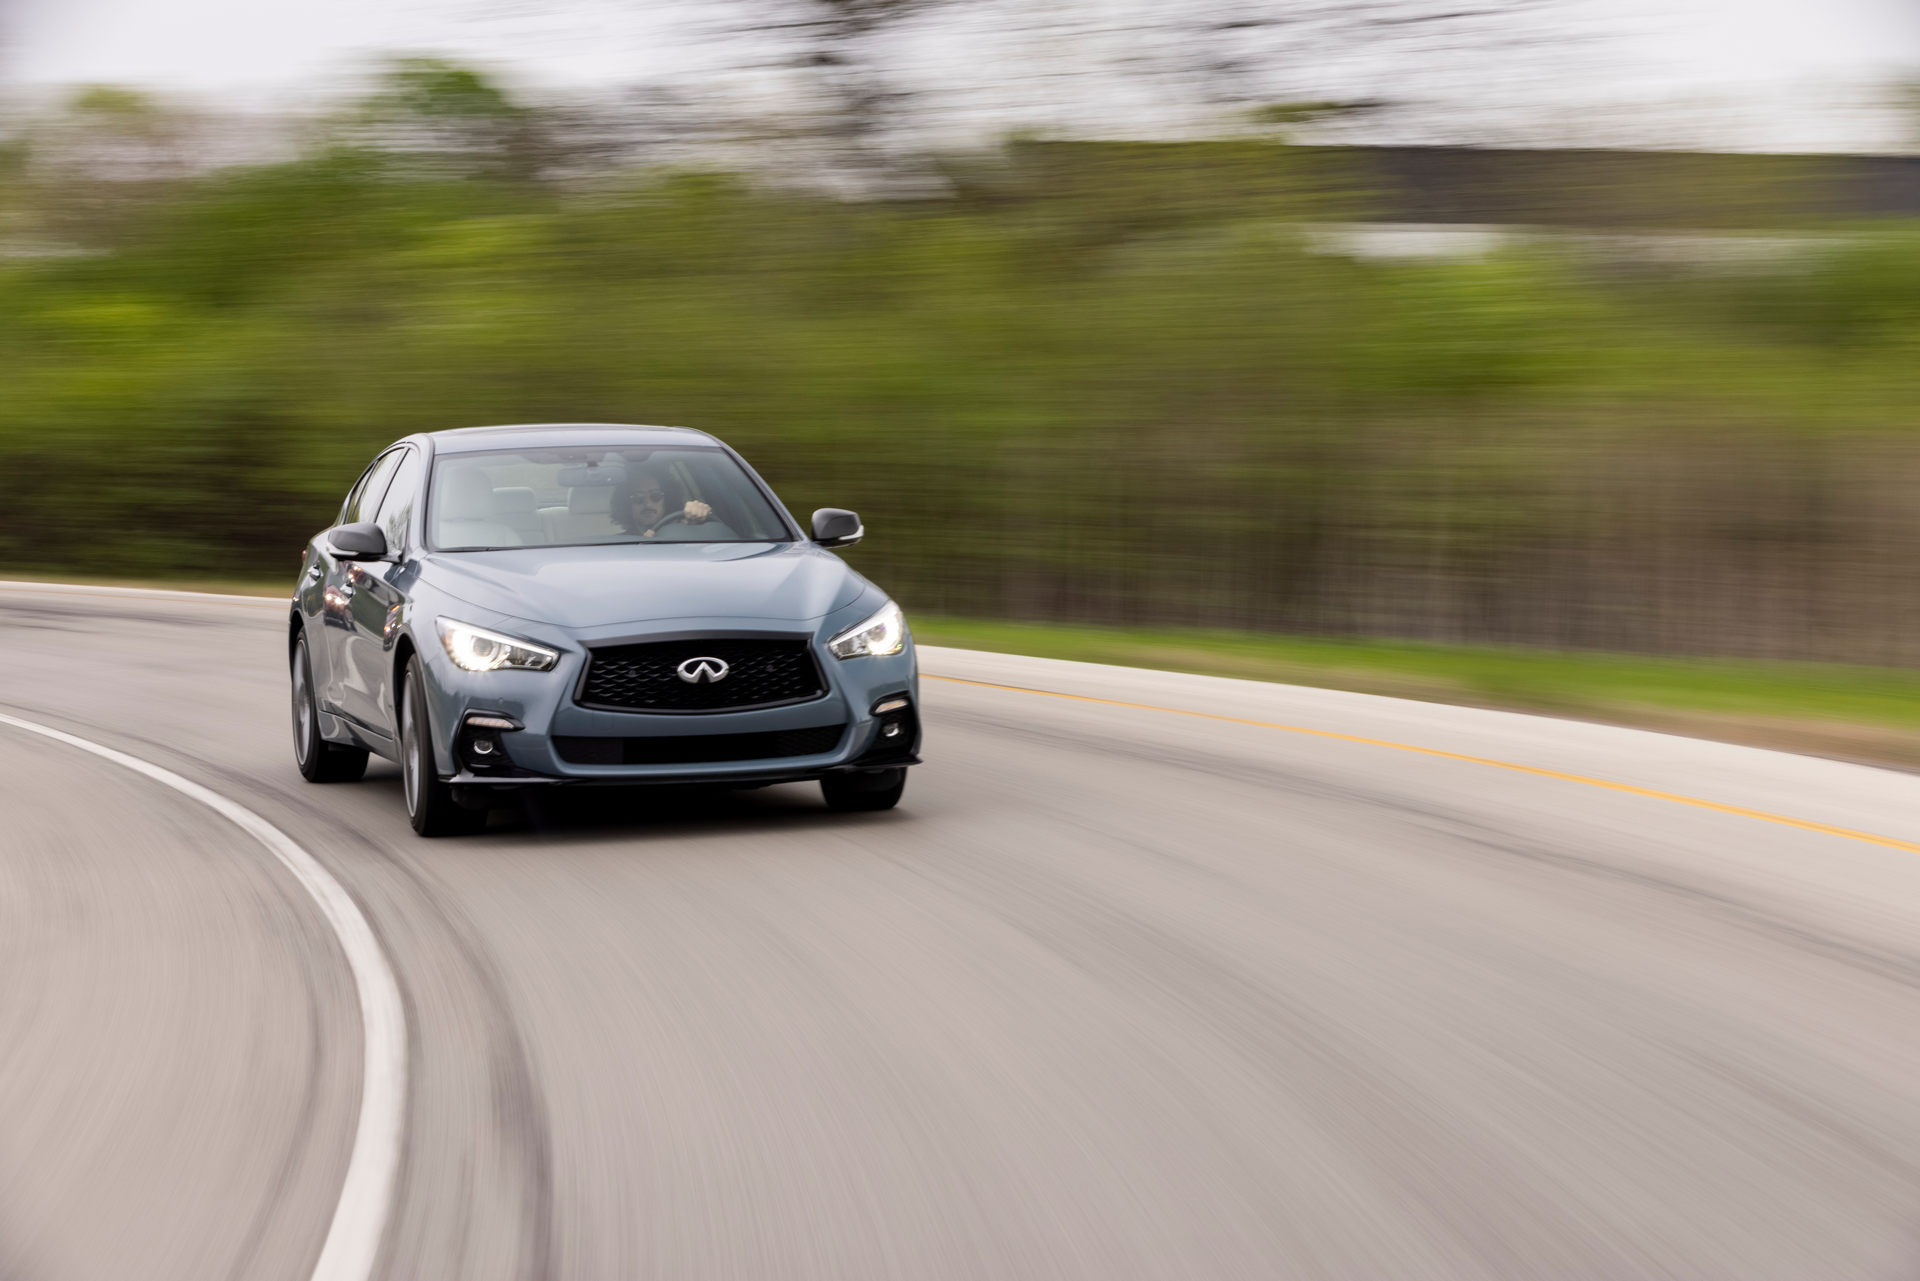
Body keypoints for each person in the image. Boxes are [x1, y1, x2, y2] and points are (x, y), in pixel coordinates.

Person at [613, 466, 737, 540]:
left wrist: (698, 522)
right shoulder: (618, 546)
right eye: (638, 498)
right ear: (626, 504)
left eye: (655, 496)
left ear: (667, 499)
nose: (648, 504)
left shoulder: (686, 527)